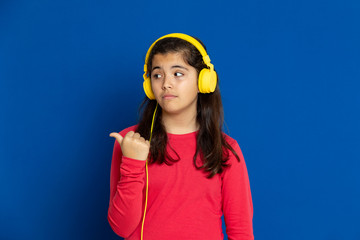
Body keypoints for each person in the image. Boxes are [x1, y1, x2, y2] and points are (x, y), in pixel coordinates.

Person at [107, 33, 254, 240]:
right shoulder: (130, 141)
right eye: (157, 75)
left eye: (178, 74)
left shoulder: (225, 149)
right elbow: (121, 227)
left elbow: (241, 231)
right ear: (149, 85)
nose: (166, 83)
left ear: (204, 81)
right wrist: (133, 163)